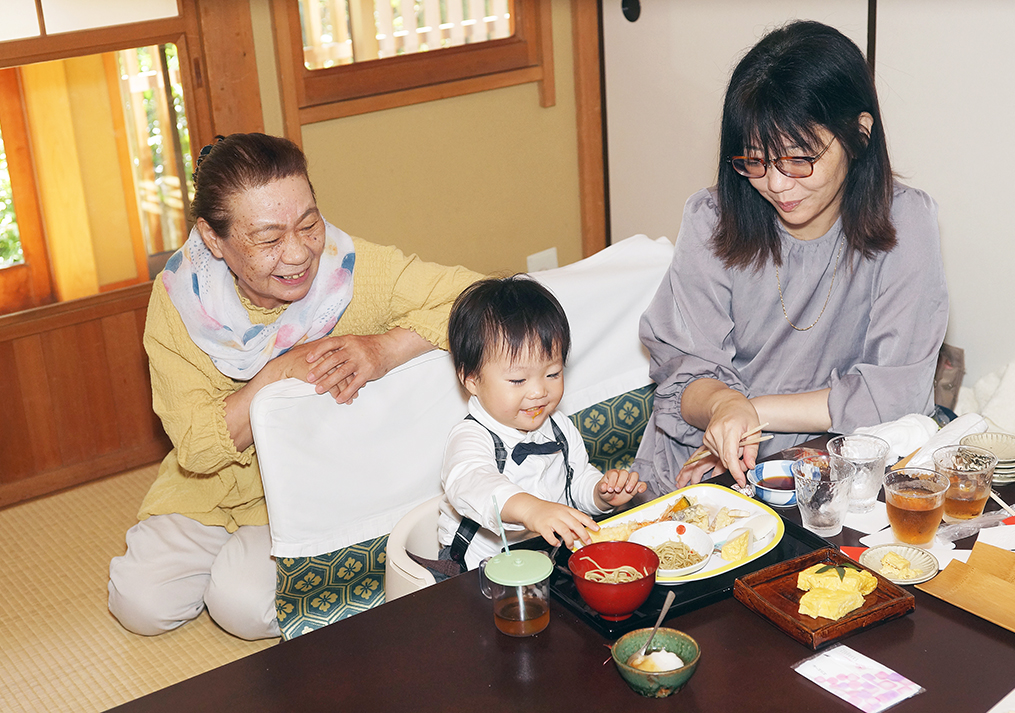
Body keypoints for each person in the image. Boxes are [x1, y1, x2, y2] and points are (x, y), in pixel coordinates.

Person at [108, 133, 481, 639]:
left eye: (308, 223)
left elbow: (473, 296)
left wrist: (383, 349)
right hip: (208, 487)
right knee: (141, 605)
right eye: (268, 239)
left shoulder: (352, 268)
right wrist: (274, 375)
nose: (300, 253)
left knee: (241, 607)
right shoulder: (179, 300)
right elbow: (196, 446)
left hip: (314, 485)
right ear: (214, 240)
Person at [634, 21, 948, 496]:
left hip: (834, 469)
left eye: (799, 159)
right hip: (703, 469)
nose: (776, 185)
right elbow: (685, 374)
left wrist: (748, 410)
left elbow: (894, 395)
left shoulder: (907, 223)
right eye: (754, 161)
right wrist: (721, 406)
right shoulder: (712, 219)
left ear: (859, 135)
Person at [436, 276, 646, 572]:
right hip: (479, 569)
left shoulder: (558, 426)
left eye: (553, 374)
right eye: (518, 380)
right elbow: (474, 484)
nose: (538, 392)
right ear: (471, 378)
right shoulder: (471, 436)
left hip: (547, 555)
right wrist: (532, 509)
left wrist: (601, 494)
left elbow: (577, 481)